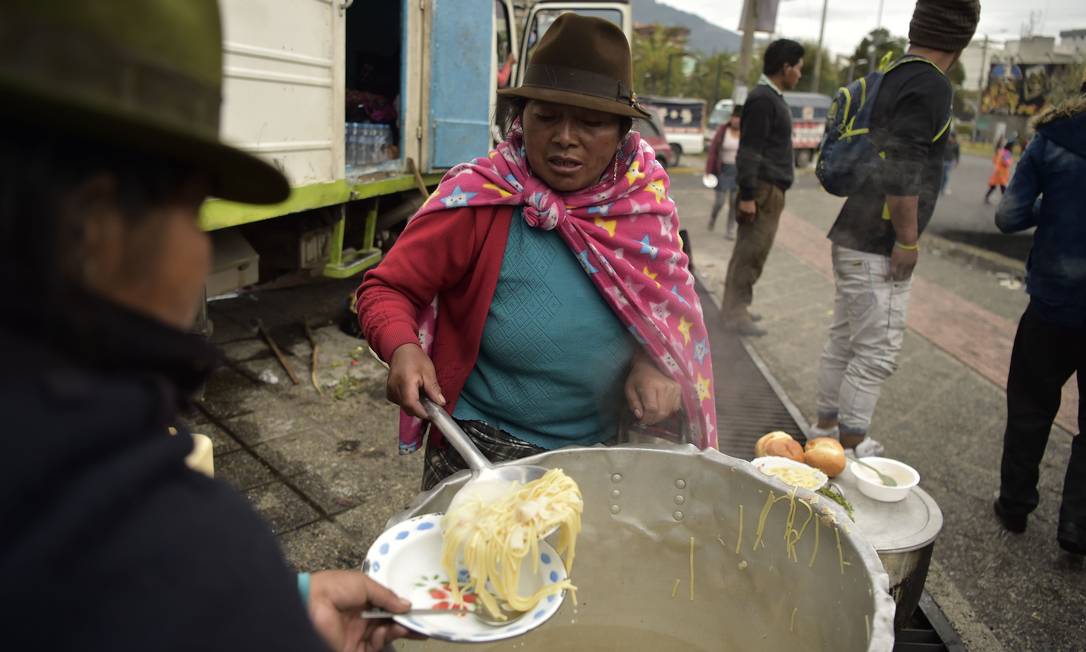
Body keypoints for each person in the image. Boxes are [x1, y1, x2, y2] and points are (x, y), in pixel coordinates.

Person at [0, 2, 418, 650]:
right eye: (193, 211)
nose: (202, 250)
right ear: (95, 227)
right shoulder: (173, 548)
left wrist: (287, 604)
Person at [357, 14, 718, 490]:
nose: (565, 137)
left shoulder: (643, 214)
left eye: (590, 122)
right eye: (546, 116)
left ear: (622, 134)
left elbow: (666, 319)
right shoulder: (481, 198)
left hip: (597, 454)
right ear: (521, 119)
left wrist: (653, 363)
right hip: (478, 447)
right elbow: (387, 288)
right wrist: (403, 347)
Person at [811, 0, 979, 457]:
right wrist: (907, 239)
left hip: (851, 234)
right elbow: (902, 168)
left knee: (844, 339)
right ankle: (852, 446)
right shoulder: (930, 84)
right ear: (961, 40)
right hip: (878, 243)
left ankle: (824, 431)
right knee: (877, 350)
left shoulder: (892, 73)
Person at [992, 88, 1086, 562]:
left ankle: (1015, 506)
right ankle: (1077, 524)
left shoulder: (1052, 137)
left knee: (1030, 406)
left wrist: (1048, 207)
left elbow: (1008, 217)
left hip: (1053, 303)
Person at [721, 39, 805, 336]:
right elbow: (750, 150)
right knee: (751, 253)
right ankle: (734, 314)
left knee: (750, 251)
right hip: (762, 190)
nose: (800, 74)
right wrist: (747, 195)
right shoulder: (763, 99)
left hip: (768, 189)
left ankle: (735, 306)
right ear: (785, 67)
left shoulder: (770, 98)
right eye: (798, 68)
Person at [705, 106, 743, 239]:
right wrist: (708, 171)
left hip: (737, 172)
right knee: (720, 202)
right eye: (734, 117)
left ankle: (730, 230)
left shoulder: (745, 133)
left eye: (739, 118)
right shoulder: (722, 131)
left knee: (734, 202)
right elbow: (713, 151)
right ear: (731, 118)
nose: (736, 120)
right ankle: (713, 217)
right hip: (722, 170)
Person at [985, 138, 1015, 203]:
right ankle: (1005, 201)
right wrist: (1010, 161)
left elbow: (994, 160)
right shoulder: (1007, 153)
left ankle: (987, 197)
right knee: (1002, 187)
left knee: (994, 186)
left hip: (997, 171)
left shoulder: (1001, 151)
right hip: (1002, 173)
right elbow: (1007, 163)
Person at [941, 130, 960, 195]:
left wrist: (957, 161)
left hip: (949, 162)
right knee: (943, 175)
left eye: (953, 137)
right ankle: (941, 188)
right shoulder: (945, 142)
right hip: (943, 161)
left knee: (946, 176)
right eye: (950, 137)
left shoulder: (956, 144)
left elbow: (957, 153)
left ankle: (943, 188)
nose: (951, 138)